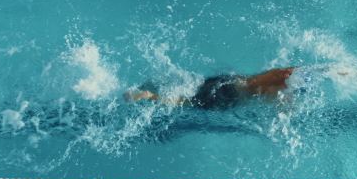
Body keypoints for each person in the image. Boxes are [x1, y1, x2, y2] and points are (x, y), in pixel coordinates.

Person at [124, 67, 299, 109]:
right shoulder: (281, 90)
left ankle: (146, 85)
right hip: (230, 95)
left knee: (192, 84)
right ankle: (149, 95)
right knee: (186, 102)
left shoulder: (284, 72)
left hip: (229, 80)